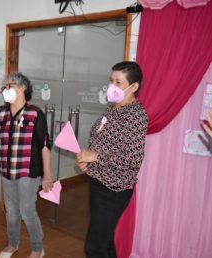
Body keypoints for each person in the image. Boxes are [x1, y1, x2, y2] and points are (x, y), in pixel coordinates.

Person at [76, 61, 148, 258]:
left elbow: (132, 159)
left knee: (94, 248)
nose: (112, 86)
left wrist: (96, 156)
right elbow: (103, 143)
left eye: (118, 82)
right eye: (111, 80)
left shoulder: (136, 115)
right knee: (105, 242)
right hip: (97, 182)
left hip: (114, 189)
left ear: (134, 87)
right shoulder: (112, 109)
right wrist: (88, 159)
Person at [0, 72, 53, 258]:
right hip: (7, 170)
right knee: (11, 211)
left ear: (22, 89)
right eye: (5, 86)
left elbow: (44, 145)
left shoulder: (35, 113)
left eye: (10, 86)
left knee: (27, 211)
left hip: (28, 171)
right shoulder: (1, 113)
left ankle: (37, 248)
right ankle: (13, 244)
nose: (6, 89)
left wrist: (47, 174)